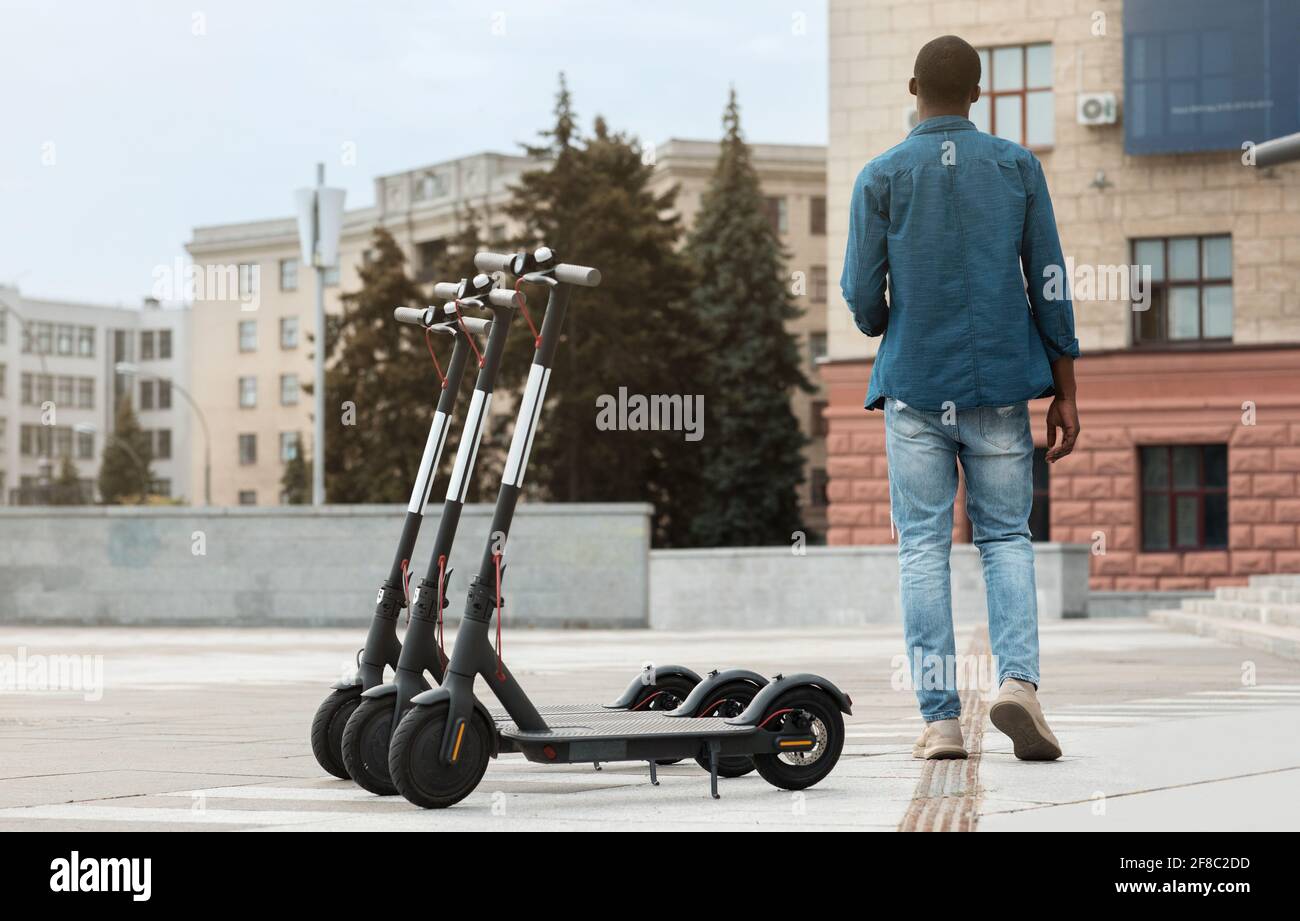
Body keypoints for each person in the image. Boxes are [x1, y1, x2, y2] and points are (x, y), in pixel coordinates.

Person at [841, 35, 1080, 761]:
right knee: (1006, 536)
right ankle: (1018, 684)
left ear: (913, 87)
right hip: (1001, 386)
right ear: (978, 93)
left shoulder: (880, 176)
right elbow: (1050, 280)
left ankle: (942, 720)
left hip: (915, 385)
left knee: (922, 547)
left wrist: (886, 322)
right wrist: (1066, 389)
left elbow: (860, 292)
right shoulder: (1016, 166)